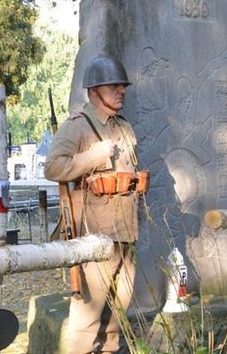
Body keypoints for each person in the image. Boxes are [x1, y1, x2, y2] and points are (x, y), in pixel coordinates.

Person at [45, 55, 141, 354]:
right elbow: (52, 168)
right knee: (87, 319)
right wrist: (95, 156)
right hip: (93, 235)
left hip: (124, 232)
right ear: (93, 91)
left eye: (122, 85)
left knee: (115, 314)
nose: (121, 90)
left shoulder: (123, 127)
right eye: (112, 85)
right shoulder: (78, 126)